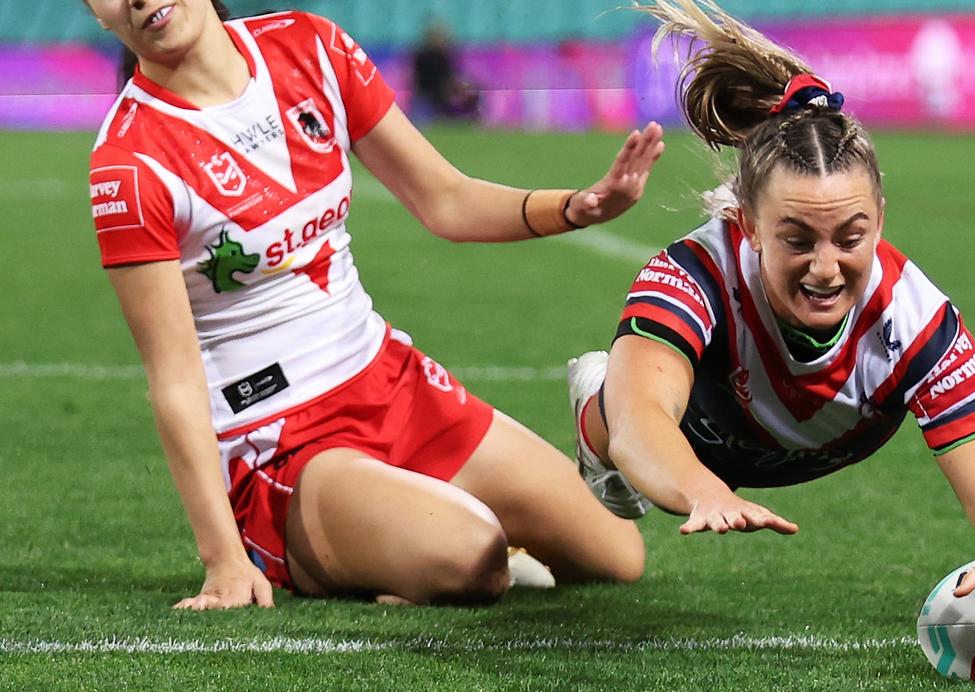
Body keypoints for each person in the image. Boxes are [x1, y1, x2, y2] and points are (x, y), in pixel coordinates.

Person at [84, 0, 664, 609]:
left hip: (389, 381)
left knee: (616, 555)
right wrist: (223, 559)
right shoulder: (128, 163)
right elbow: (174, 379)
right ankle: (377, 541)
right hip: (281, 440)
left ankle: (408, 530)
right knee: (473, 559)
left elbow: (447, 200)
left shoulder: (309, 47)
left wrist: (578, 206)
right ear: (95, 15)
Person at [567, 0, 975, 654]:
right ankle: (591, 401)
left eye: (851, 237)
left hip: (835, 442)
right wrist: (700, 488)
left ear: (880, 219)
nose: (827, 268)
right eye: (798, 240)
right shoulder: (693, 275)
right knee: (630, 446)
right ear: (747, 224)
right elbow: (642, 424)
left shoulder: (917, 318)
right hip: (707, 441)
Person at [411, 23, 481, 122]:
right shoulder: (425, 57)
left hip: (439, 95)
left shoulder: (445, 56)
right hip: (429, 97)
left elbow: (452, 77)